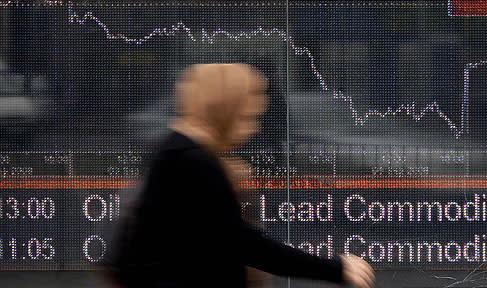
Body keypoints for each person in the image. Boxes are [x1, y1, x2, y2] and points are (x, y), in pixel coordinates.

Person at [104, 63, 374, 288]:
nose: (253, 128)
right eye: (246, 117)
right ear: (223, 110)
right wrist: (336, 269)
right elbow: (245, 244)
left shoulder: (176, 148)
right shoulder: (195, 162)